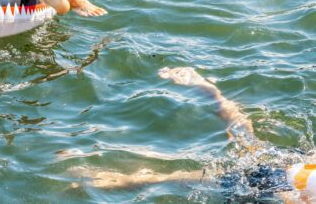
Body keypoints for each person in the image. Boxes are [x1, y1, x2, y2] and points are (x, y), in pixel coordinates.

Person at [80, 66, 316, 201]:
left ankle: (211, 92)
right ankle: (108, 180)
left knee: (248, 139)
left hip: (296, 168)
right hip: (279, 181)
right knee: (172, 179)